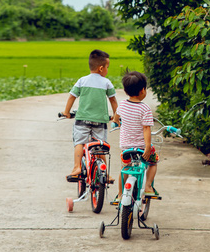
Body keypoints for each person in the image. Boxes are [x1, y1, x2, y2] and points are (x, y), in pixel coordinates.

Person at [63, 49, 118, 178]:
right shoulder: (107, 83)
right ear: (101, 68)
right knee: (100, 146)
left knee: (79, 143)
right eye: (107, 67)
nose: (107, 70)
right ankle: (105, 173)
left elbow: (72, 96)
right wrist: (116, 118)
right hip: (100, 121)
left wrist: (66, 112)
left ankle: (77, 167)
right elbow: (113, 101)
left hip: (82, 120)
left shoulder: (82, 80)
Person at [112, 71, 159, 202]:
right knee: (153, 162)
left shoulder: (122, 104)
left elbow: (116, 117)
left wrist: (116, 122)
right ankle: (148, 186)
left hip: (126, 147)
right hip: (141, 147)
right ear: (143, 90)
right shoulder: (145, 108)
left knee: (124, 169)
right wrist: (148, 147)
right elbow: (146, 129)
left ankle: (120, 195)